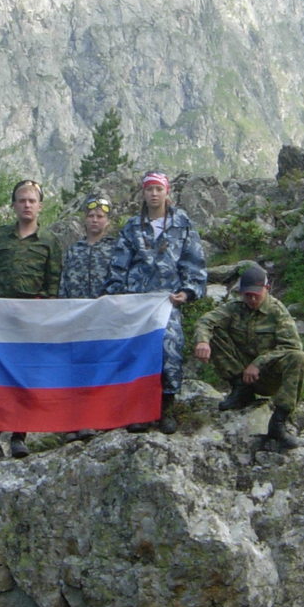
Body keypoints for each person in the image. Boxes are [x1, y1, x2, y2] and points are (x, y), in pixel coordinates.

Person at [0, 179, 65, 462]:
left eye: (32, 201)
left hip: (31, 321)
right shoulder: (0, 236)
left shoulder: (49, 241)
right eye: (21, 200)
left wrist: (45, 307)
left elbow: (53, 283)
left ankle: (19, 436)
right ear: (13, 205)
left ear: (40, 207)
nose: (27, 205)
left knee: (24, 377)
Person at [107, 171, 207, 433]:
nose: (153, 194)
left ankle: (166, 409)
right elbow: (118, 264)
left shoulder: (181, 223)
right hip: (137, 301)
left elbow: (193, 261)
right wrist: (117, 295)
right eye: (149, 189)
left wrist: (187, 291)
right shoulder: (131, 227)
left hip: (167, 300)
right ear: (143, 193)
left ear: (167, 192)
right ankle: (139, 410)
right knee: (137, 353)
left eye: (158, 189)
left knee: (169, 349)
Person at [193, 262, 304, 449]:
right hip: (242, 373)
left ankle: (279, 422)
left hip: (269, 376)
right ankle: (241, 391)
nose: (252, 299)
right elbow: (206, 321)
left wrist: (259, 363)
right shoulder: (235, 308)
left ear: (267, 289)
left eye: (256, 294)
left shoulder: (278, 313)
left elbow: (292, 347)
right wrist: (203, 341)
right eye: (248, 295)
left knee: (300, 358)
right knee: (214, 332)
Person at [58, 193, 118, 299]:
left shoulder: (115, 249)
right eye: (91, 216)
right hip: (77, 309)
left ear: (108, 221)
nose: (94, 220)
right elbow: (63, 283)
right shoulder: (73, 250)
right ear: (85, 219)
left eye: (100, 216)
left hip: (105, 309)